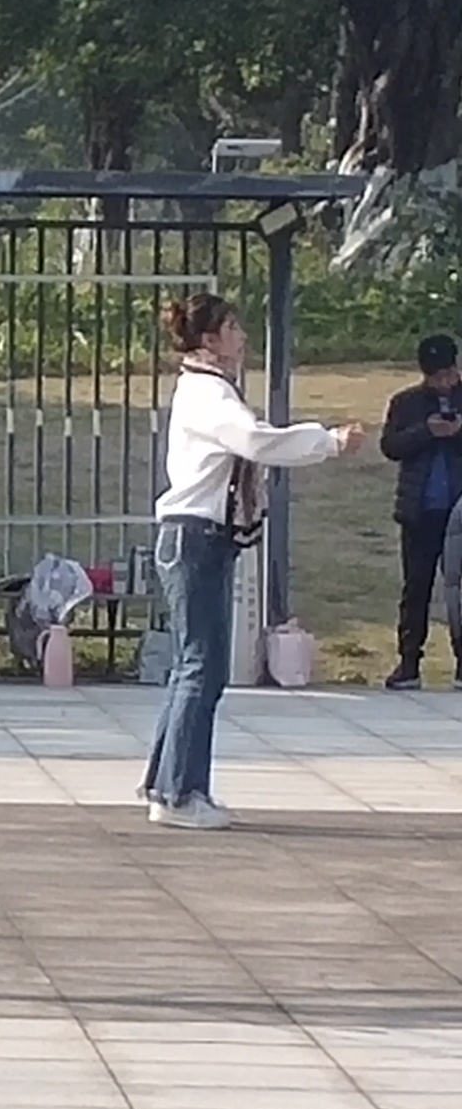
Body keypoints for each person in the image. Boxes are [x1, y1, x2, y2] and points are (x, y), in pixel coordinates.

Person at [145, 293, 365, 830]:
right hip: (194, 536)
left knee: (195, 667)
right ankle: (177, 794)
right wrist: (327, 441)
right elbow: (255, 441)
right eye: (233, 327)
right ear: (210, 339)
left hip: (199, 537)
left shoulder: (208, 387)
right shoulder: (208, 392)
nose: (242, 337)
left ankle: (170, 786)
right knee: (201, 668)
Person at [377, 334, 462, 690]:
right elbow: (390, 446)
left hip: (459, 510)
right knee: (416, 588)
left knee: (460, 590)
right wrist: (427, 431)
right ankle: (409, 662)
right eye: (435, 376)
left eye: (448, 374)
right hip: (419, 509)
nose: (443, 382)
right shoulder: (406, 402)